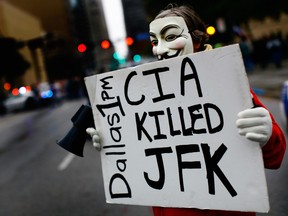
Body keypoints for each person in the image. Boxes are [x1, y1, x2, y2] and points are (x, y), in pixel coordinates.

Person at [87, 4, 286, 216]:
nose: (160, 49)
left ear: (197, 39)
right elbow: (137, 153)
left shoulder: (227, 84)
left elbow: (275, 157)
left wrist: (267, 134)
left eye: (171, 37)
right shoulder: (144, 96)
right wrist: (112, 143)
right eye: (155, 41)